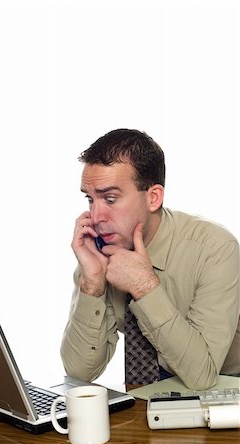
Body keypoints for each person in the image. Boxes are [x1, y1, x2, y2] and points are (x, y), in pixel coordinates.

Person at [60, 128, 240, 390]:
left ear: (153, 197)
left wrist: (144, 287)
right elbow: (79, 371)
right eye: (90, 199)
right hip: (141, 398)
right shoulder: (99, 250)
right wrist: (92, 283)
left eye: (110, 198)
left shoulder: (214, 249)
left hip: (225, 392)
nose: (96, 216)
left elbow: (203, 377)